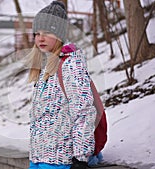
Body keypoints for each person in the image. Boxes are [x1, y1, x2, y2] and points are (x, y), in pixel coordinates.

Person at [27, 1, 97, 169]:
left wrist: (80, 157)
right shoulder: (46, 65)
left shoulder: (70, 64)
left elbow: (83, 111)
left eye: (47, 32)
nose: (40, 38)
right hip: (40, 158)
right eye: (37, 33)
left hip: (61, 160)